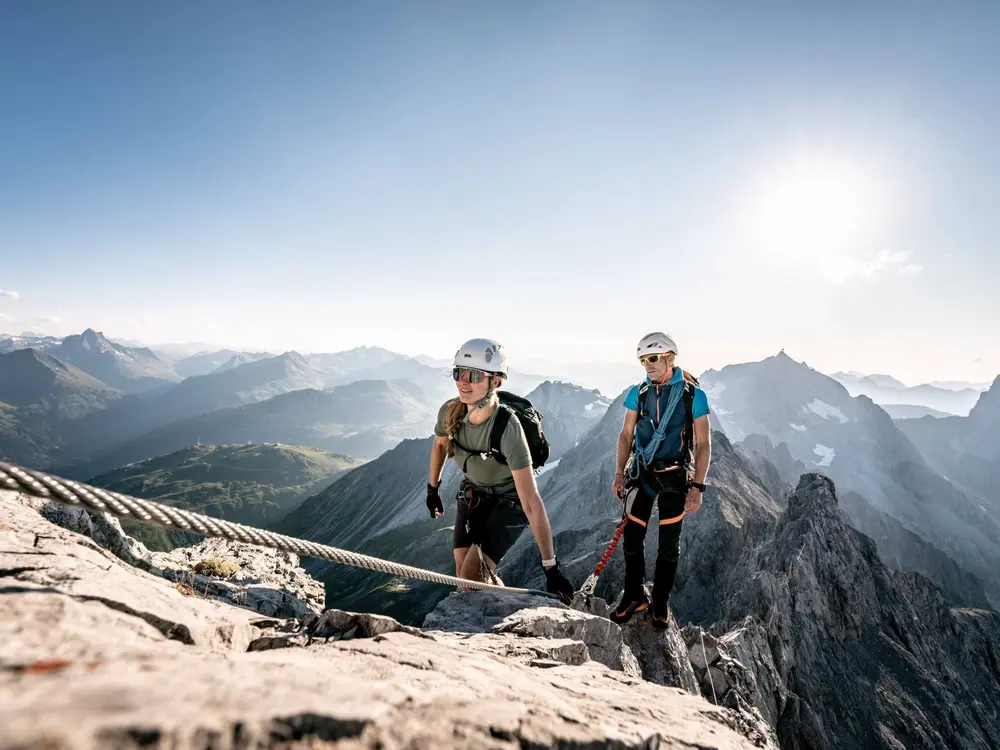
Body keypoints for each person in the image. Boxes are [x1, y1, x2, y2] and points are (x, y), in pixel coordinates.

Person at [426, 337, 576, 604]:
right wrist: (432, 488)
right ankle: (497, 601)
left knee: (471, 577)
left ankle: (496, 621)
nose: (463, 381)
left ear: (495, 381)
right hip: (474, 494)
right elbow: (439, 446)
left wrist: (551, 568)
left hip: (510, 502)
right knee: (464, 576)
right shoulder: (449, 412)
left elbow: (531, 501)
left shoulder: (508, 427)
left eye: (474, 375)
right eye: (458, 373)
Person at [609, 332, 712, 628]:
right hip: (642, 473)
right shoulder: (638, 392)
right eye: (643, 360)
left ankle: (660, 602)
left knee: (669, 544)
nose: (647, 365)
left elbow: (703, 443)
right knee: (632, 537)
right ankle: (633, 595)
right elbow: (626, 434)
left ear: (670, 358)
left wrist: (698, 487)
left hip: (675, 476)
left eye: (652, 358)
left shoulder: (693, 395)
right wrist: (619, 473)